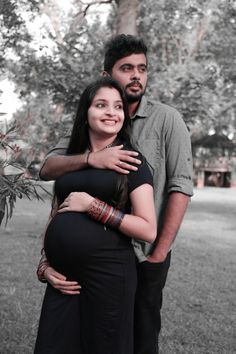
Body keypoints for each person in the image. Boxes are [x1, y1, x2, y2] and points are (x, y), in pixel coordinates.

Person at [37, 35, 193, 354]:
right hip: (77, 267)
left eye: (143, 69)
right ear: (107, 75)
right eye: (127, 68)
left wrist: (157, 255)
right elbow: (51, 172)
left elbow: (180, 187)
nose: (136, 75)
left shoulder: (167, 120)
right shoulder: (88, 124)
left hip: (141, 254)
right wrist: (91, 158)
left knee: (138, 338)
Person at [34, 76, 156, 354]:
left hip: (109, 278)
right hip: (63, 278)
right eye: (101, 105)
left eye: (117, 106)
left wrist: (94, 207)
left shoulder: (132, 161)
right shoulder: (72, 160)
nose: (111, 112)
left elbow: (148, 229)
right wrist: (44, 266)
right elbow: (57, 211)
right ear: (85, 112)